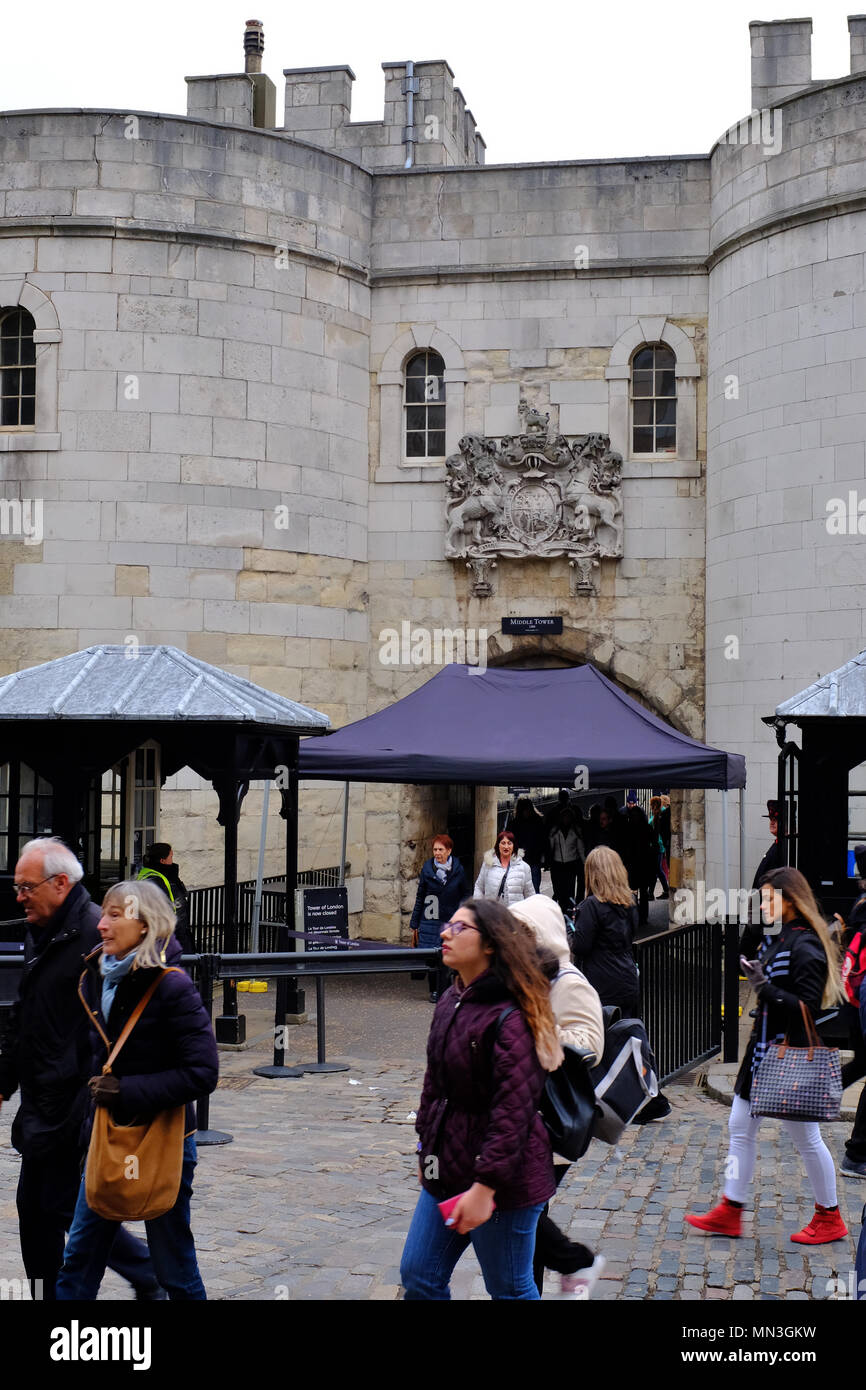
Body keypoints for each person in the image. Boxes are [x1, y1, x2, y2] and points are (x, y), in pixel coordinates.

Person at [0, 837, 163, 1300]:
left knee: (69, 1208)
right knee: (42, 1212)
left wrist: (98, 1098)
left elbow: (123, 1028)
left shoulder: (98, 934)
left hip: (76, 1105)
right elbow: (26, 1012)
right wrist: (5, 1078)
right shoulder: (44, 929)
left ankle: (145, 1275)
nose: (19, 896)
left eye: (26, 887)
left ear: (59, 883)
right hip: (44, 1100)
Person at [56, 878, 219, 1300]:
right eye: (103, 914)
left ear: (144, 925)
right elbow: (94, 1061)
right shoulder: (96, 976)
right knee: (79, 1260)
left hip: (162, 1142)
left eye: (115, 915)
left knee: (174, 1267)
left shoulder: (173, 986)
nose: (102, 925)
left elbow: (202, 1073)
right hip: (107, 1140)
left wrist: (125, 1091)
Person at [400, 897, 562, 1300]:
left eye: (460, 928)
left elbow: (514, 1112)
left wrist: (485, 1187)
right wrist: (427, 1152)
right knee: (419, 1274)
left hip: (504, 1181)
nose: (445, 933)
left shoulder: (510, 1015)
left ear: (489, 944)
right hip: (448, 1166)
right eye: (448, 925)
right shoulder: (452, 999)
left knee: (509, 1289)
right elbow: (434, 1087)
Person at [685, 866, 848, 1244]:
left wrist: (765, 986)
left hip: (786, 1058)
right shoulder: (784, 936)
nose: (763, 904)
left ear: (790, 899)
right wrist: (758, 968)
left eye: (770, 897)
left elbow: (810, 1007)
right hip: (762, 1055)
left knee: (807, 1139)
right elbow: (766, 967)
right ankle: (731, 1208)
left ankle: (830, 1216)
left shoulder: (804, 944)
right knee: (739, 1128)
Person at [510, 894, 606, 1299]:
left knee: (524, 1207)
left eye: (525, 933)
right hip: (527, 1112)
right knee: (525, 1208)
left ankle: (569, 1264)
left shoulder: (569, 983)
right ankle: (550, 1274)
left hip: (553, 1117)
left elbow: (590, 1044)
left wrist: (535, 1035)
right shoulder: (530, 977)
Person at [572, 845, 671, 1121]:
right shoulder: (628, 903)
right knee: (630, 1041)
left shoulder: (591, 906)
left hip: (602, 983)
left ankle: (611, 1098)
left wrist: (573, 927)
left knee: (602, 1045)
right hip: (627, 977)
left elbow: (581, 945)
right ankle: (648, 1094)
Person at [409, 833, 470, 1002]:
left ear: (449, 851)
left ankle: (452, 987)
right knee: (433, 957)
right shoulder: (427, 869)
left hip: (452, 919)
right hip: (431, 919)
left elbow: (465, 894)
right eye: (435, 849)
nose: (437, 853)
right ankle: (434, 990)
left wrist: (463, 915)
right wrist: (415, 923)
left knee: (452, 953)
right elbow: (420, 896)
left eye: (441, 849)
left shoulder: (458, 869)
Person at [835, 843, 866, 1178]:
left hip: (854, 999)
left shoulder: (859, 905)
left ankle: (821, 1097)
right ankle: (856, 1154)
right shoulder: (863, 908)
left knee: (861, 1061)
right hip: (860, 1000)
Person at [741, 800, 785, 958]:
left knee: (751, 946)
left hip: (769, 905)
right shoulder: (779, 844)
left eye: (776, 819)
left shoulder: (783, 847)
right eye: (770, 819)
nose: (772, 823)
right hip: (762, 904)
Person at [138, 841, 192, 952]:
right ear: (163, 860)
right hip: (169, 937)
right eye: (171, 857)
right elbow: (169, 910)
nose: (172, 861)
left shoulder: (159, 875)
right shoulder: (156, 879)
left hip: (170, 935)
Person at [619, 794, 655, 926]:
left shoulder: (628, 829)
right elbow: (653, 842)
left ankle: (630, 915)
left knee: (630, 891)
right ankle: (643, 917)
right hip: (642, 864)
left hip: (632, 864)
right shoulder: (645, 828)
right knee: (643, 892)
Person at [473, 829, 534, 906]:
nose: (506, 846)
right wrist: (478, 908)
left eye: (509, 843)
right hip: (492, 913)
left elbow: (530, 894)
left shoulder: (524, 867)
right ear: (498, 845)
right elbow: (479, 887)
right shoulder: (488, 864)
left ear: (514, 846)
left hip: (514, 914)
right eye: (503, 843)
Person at [547, 797, 584, 915]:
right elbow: (551, 847)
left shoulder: (576, 831)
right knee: (559, 889)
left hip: (571, 863)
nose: (566, 819)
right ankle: (561, 908)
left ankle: (568, 910)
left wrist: (584, 863)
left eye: (568, 817)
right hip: (558, 863)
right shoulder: (555, 831)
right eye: (564, 817)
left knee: (570, 888)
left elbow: (580, 849)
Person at [512, 796, 548, 894]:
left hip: (529, 859)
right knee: (533, 888)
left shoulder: (515, 823)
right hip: (529, 859)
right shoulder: (538, 821)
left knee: (527, 888)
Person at [648, 796, 669, 900]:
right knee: (656, 869)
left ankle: (654, 892)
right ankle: (652, 893)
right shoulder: (657, 814)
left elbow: (659, 832)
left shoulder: (660, 815)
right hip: (656, 845)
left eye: (651, 805)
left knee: (656, 869)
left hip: (657, 846)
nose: (650, 807)